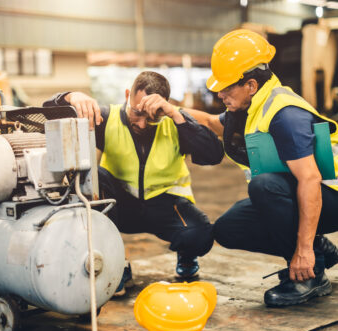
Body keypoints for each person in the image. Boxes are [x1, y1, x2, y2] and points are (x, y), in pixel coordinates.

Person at [186, 29, 338, 307]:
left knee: (265, 186)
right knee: (228, 229)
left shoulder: (284, 114)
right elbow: (209, 122)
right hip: (311, 194)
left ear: (251, 85)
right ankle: (320, 249)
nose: (220, 93)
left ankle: (310, 273)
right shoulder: (251, 107)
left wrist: (302, 249)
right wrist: (168, 110)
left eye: (227, 86)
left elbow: (311, 180)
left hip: (331, 194)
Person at [43, 71, 224, 295]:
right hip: (121, 205)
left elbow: (214, 155)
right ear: (128, 95)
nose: (141, 123)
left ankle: (186, 257)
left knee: (200, 236)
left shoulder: (174, 122)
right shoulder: (106, 118)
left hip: (166, 206)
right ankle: (115, 264)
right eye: (137, 112)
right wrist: (71, 97)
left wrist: (176, 116)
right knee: (94, 174)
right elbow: (46, 113)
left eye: (150, 116)